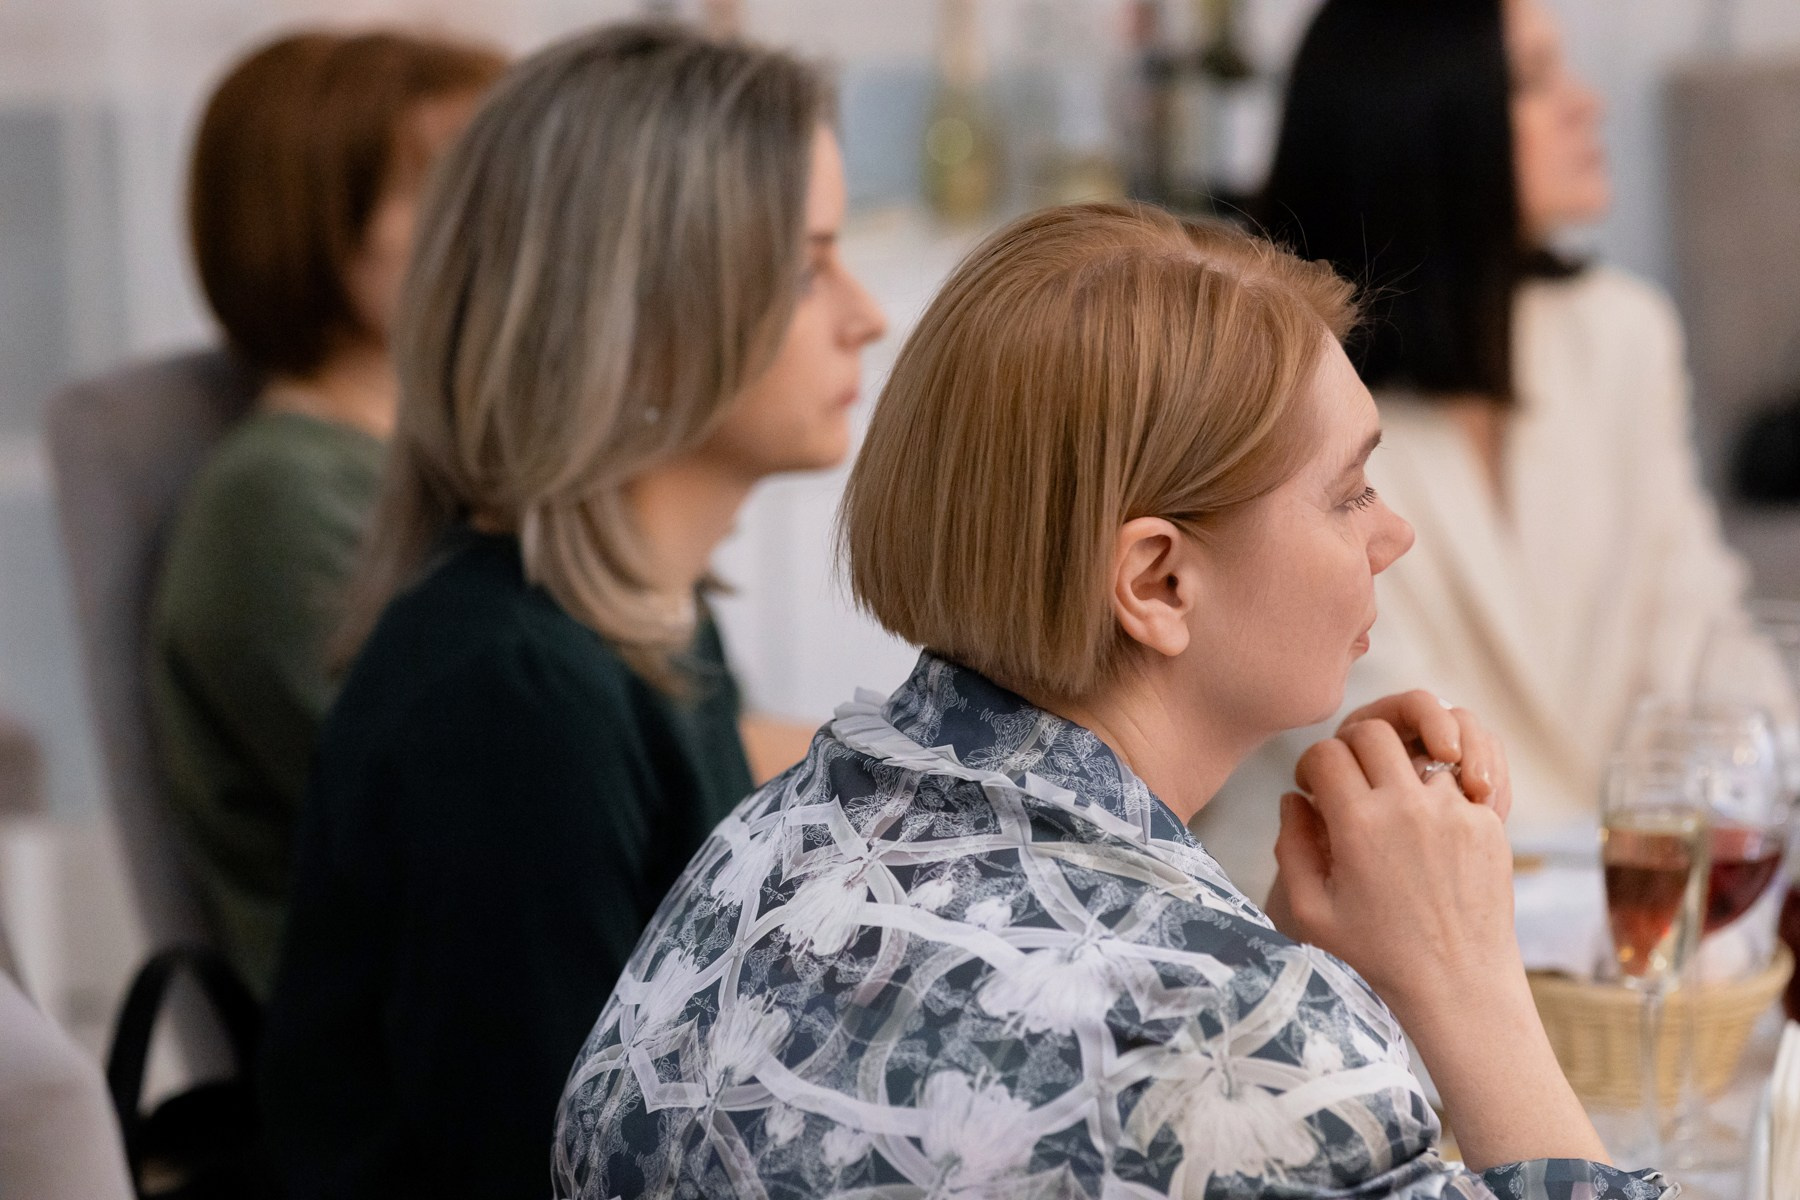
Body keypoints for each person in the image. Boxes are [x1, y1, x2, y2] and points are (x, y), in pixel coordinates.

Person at [553, 203, 1670, 1198]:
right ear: (1157, 584)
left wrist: (1275, 958)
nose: (1395, 533)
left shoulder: (758, 851)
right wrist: (1467, 985)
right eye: (1350, 493)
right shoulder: (1237, 1045)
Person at [259, 23, 885, 1200]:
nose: (868, 315)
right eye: (809, 270)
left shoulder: (644, 616)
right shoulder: (511, 699)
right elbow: (562, 1168)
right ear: (644, 317)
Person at [1198, 0, 1746, 900]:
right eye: (1533, 79)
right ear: (1421, 118)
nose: (1588, 105)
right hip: (1352, 892)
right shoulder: (1276, 384)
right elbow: (1377, 727)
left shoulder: (1622, 334)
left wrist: (1759, 778)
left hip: (1613, 881)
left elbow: (1698, 621)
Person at [147, 30, 506, 996]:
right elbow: (491, 832)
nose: (512, 226)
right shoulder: (277, 499)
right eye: (453, 193)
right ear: (313, 228)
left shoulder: (455, 467)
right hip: (427, 1049)